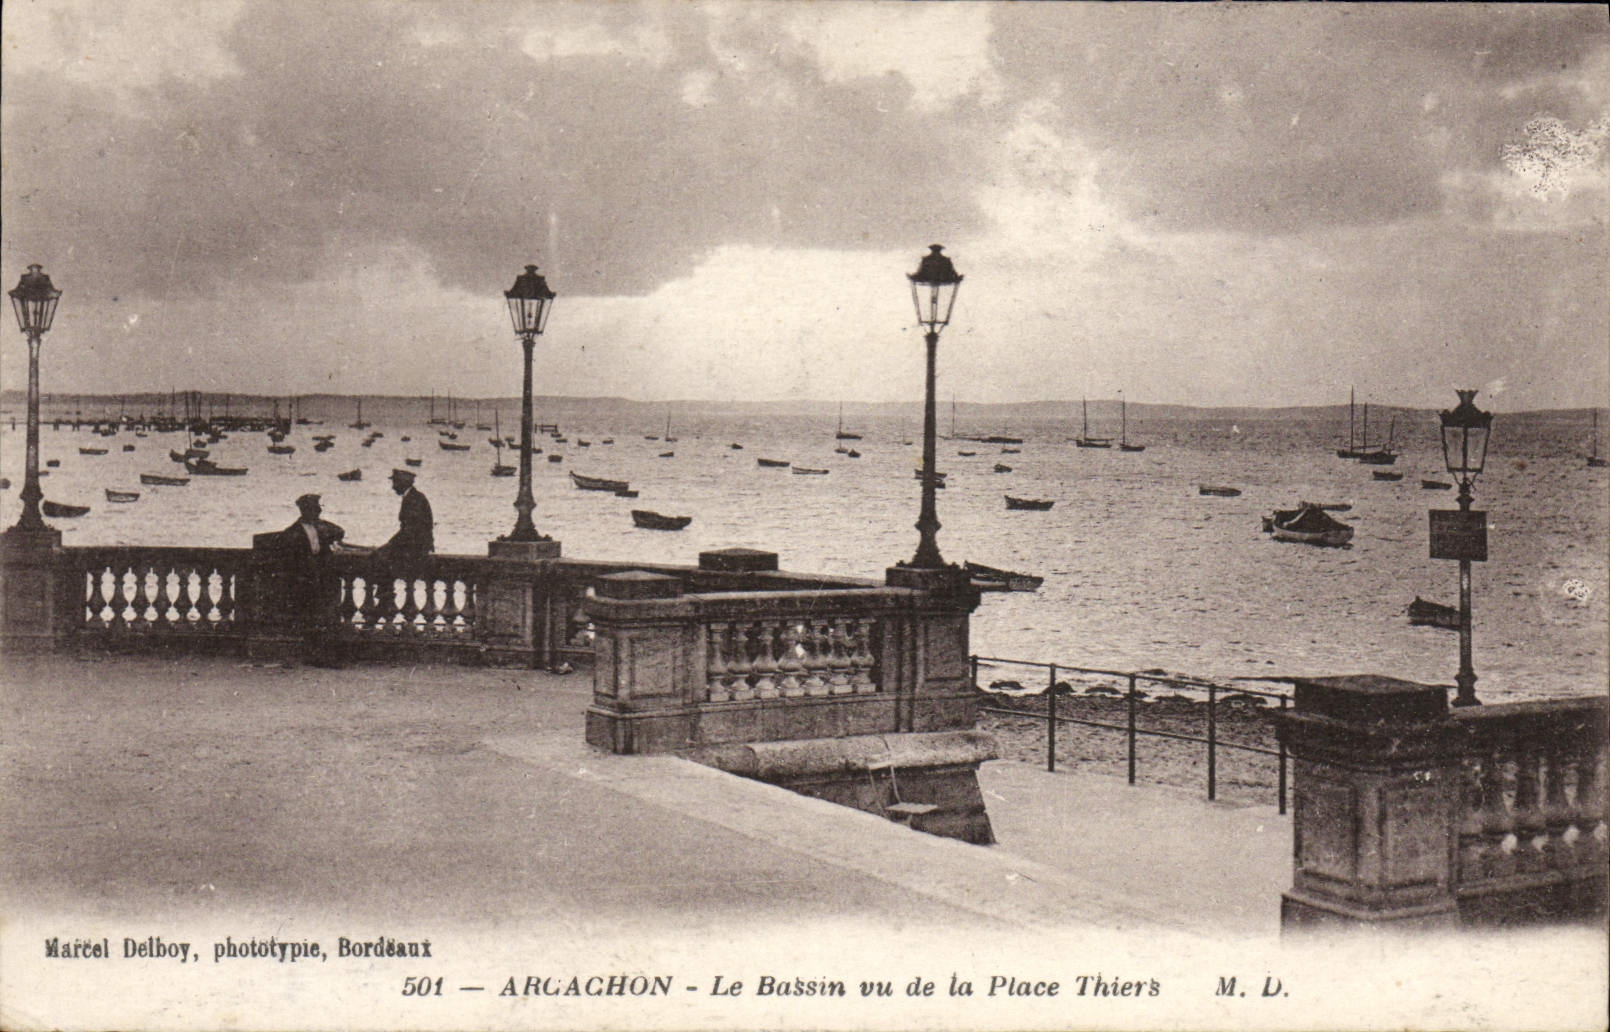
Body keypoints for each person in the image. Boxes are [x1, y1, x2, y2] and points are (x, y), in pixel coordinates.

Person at [277, 493, 346, 667]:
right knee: (311, 618)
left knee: (323, 617)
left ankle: (322, 656)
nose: (319, 511)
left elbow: (339, 531)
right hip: (305, 581)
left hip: (321, 578)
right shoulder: (292, 533)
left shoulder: (320, 527)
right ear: (306, 510)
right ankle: (315, 656)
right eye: (316, 509)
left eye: (318, 509)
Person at [377, 468, 434, 560]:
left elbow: (411, 530)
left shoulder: (413, 499)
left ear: (403, 483)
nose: (393, 487)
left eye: (395, 483)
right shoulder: (413, 497)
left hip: (416, 549)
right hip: (416, 546)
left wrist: (390, 545)